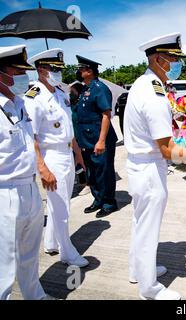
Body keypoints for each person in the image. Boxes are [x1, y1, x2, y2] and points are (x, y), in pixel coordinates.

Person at [123, 32, 186, 300]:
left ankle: (139, 270)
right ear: (158, 59)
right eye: (173, 58)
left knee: (140, 223)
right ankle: (149, 288)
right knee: (148, 226)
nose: (177, 64)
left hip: (140, 165)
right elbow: (168, 149)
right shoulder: (153, 93)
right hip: (150, 168)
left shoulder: (144, 84)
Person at [24, 49, 89, 268]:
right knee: (61, 207)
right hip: (50, 155)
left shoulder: (60, 93)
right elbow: (30, 136)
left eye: (60, 68)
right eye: (54, 68)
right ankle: (67, 252)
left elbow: (68, 128)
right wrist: (42, 167)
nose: (58, 72)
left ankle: (51, 242)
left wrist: (78, 153)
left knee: (61, 202)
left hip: (67, 153)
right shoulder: (34, 97)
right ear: (41, 69)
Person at [0, 45, 51, 300]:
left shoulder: (20, 103)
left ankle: (35, 296)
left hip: (30, 188)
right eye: (17, 71)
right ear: (1, 74)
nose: (24, 77)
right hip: (4, 192)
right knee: (4, 263)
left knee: (30, 255)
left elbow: (31, 141)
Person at [75, 55, 118, 218]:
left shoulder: (99, 88)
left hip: (100, 139)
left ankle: (109, 202)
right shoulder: (85, 88)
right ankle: (98, 199)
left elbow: (106, 115)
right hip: (87, 139)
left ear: (89, 71)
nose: (78, 72)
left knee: (104, 171)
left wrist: (101, 141)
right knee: (92, 172)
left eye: (81, 69)